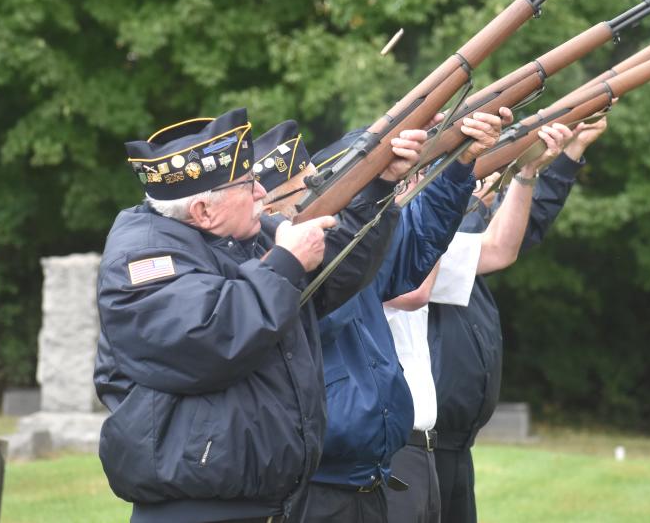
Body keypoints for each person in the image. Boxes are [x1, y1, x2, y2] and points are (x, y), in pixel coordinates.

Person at [93, 107, 427, 523]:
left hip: (267, 503)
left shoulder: (241, 238)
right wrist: (287, 262)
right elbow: (212, 334)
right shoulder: (143, 261)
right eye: (247, 185)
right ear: (203, 211)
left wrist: (381, 185)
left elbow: (335, 273)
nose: (261, 195)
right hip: (197, 509)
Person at [303, 111, 506, 523]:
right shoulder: (308, 257)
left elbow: (420, 246)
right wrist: (393, 192)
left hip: (385, 460)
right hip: (335, 471)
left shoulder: (365, 245)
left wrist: (459, 166)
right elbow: (415, 288)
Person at [382, 121, 578, 523]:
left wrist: (526, 172)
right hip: (391, 447)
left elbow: (501, 249)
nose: (422, 179)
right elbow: (412, 288)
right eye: (421, 172)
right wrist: (444, 199)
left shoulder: (412, 234)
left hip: (430, 445)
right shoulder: (379, 238)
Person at [427, 117, 608, 523]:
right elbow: (493, 241)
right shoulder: (423, 236)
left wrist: (565, 155)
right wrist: (510, 179)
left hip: (456, 443)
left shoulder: (459, 232)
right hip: (424, 445)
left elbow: (519, 230)